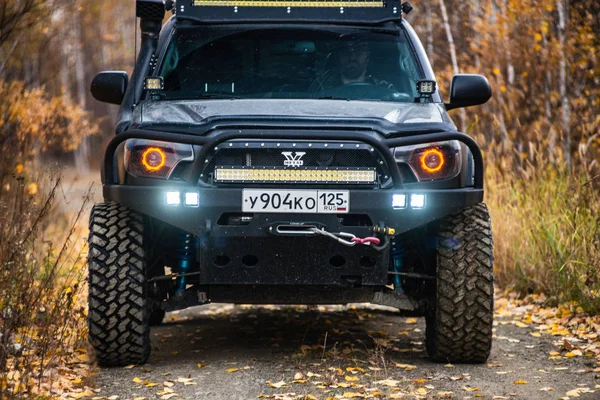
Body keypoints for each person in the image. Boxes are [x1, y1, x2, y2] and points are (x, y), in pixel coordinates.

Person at [312, 35, 396, 93]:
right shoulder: (322, 87)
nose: (352, 56)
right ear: (338, 56)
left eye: (358, 50)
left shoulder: (384, 89)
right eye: (345, 51)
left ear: (368, 57)